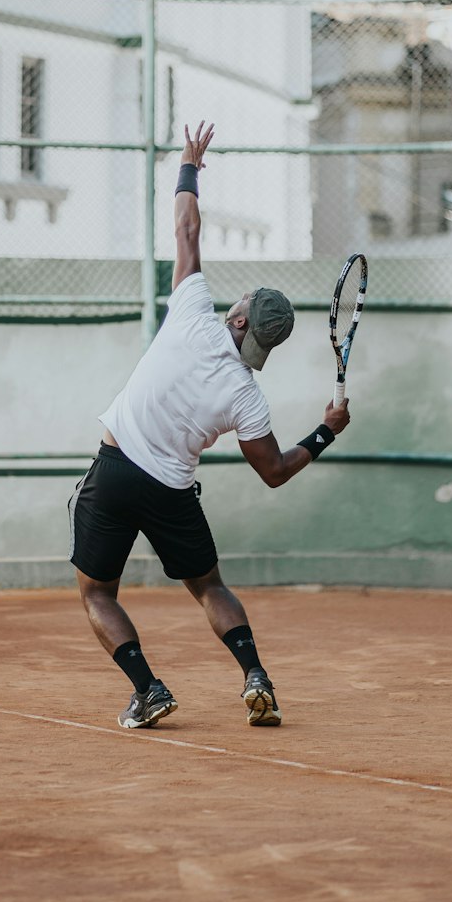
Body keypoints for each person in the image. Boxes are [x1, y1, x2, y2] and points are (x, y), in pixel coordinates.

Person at [68, 120, 351, 730]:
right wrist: (325, 431)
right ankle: (255, 676)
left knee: (96, 593)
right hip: (171, 491)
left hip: (115, 472)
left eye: (243, 305)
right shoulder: (248, 397)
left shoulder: (193, 311)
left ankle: (148, 690)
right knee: (209, 587)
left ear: (242, 321)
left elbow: (186, 227)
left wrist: (189, 166)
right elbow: (274, 471)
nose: (237, 304)